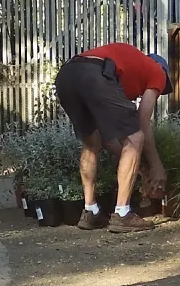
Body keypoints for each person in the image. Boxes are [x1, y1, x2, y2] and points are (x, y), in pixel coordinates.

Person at [54, 41, 172, 233]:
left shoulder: (126, 67)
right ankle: (122, 214)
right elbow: (142, 124)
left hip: (67, 75)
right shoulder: (156, 71)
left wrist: (137, 165)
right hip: (95, 73)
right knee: (135, 138)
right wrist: (156, 166)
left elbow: (108, 139)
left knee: (92, 142)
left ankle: (90, 210)